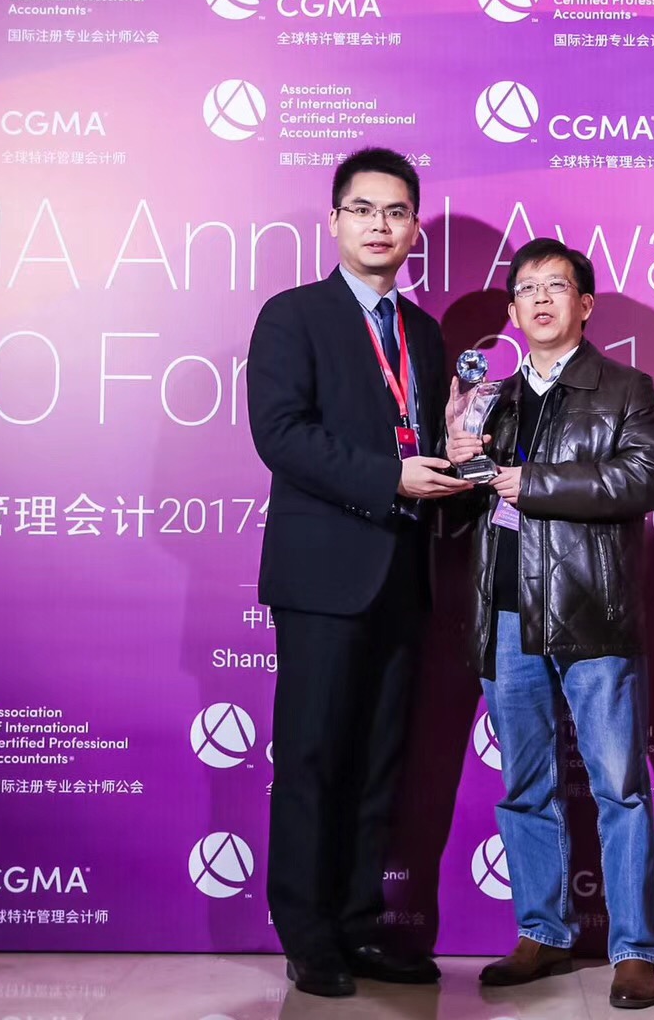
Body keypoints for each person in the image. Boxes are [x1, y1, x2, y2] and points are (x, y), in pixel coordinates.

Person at [247, 147, 470, 997]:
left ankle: (359, 925)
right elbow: (281, 434)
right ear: (335, 220)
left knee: (379, 762)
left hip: (404, 571)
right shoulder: (292, 316)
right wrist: (389, 479)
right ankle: (308, 936)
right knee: (312, 758)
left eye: (397, 212)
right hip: (323, 576)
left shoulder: (424, 333)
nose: (381, 225)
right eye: (365, 210)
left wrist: (461, 456)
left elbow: (424, 442)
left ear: (414, 229)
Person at [445, 237, 654, 1009]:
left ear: (585, 304)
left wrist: (534, 482)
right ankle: (541, 934)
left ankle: (634, 950)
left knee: (619, 787)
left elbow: (644, 479)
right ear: (512, 313)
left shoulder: (625, 388)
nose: (541, 299)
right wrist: (456, 456)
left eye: (557, 286)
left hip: (592, 616)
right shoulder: (494, 398)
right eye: (527, 290)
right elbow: (467, 507)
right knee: (524, 787)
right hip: (507, 614)